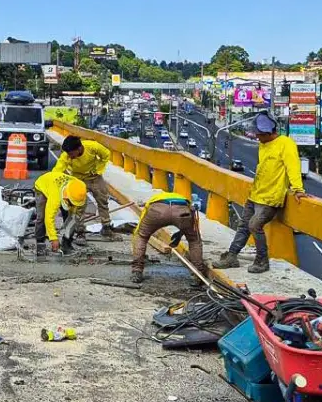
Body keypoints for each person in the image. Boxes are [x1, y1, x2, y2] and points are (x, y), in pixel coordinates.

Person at [214, 111, 306, 274]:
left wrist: (298, 189)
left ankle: (262, 261)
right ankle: (231, 256)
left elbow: (293, 168)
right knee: (243, 226)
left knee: (254, 225)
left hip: (271, 197)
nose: (257, 138)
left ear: (268, 132)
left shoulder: (286, 143)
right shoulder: (263, 145)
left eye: (259, 135)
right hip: (256, 193)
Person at [131, 190, 209, 284]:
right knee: (194, 240)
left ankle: (137, 271)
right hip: (182, 211)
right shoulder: (185, 200)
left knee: (141, 236)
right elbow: (191, 218)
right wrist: (182, 232)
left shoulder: (152, 201)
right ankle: (198, 275)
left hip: (158, 211)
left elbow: (139, 228)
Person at [53, 135, 117, 240]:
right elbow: (57, 170)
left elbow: (106, 154)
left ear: (79, 148)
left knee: (103, 201)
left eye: (71, 153)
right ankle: (80, 231)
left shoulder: (92, 147)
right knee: (79, 205)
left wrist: (98, 169)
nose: (69, 156)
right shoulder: (66, 156)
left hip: (94, 177)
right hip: (78, 178)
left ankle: (106, 227)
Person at [32, 171, 88, 254]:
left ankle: (66, 243)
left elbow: (72, 217)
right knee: (42, 217)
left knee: (70, 216)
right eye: (71, 203)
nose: (73, 205)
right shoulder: (55, 197)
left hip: (61, 188)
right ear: (66, 197)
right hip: (42, 186)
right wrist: (53, 238)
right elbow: (49, 217)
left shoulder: (78, 190)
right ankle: (40, 243)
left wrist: (67, 234)